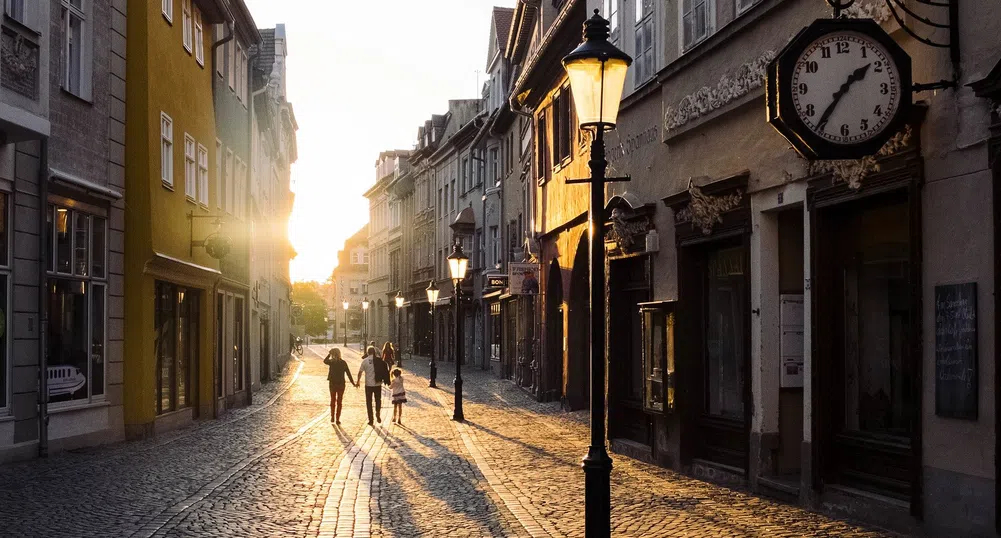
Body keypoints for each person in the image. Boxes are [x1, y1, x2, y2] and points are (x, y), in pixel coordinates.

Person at [356, 345, 390, 425]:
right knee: (378, 400)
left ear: (368, 352)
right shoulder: (379, 361)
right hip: (377, 384)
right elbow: (385, 370)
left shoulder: (365, 361)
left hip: (368, 385)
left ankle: (371, 420)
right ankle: (377, 412)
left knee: (369, 402)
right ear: (374, 352)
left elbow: (360, 372)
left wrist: (358, 381)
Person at [323, 348, 355, 425]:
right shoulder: (343, 362)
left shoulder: (331, 362)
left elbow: (324, 361)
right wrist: (353, 383)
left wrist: (329, 354)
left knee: (332, 400)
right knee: (339, 401)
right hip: (341, 384)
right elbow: (348, 373)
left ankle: (332, 416)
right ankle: (337, 418)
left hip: (332, 384)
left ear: (333, 354)